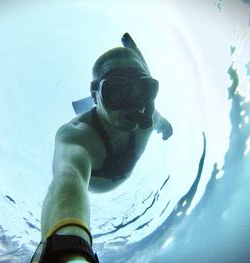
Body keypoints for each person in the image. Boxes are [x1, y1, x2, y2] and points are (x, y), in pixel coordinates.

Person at [31, 33, 173, 263]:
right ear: (96, 95)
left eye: (143, 89)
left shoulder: (150, 115)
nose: (133, 103)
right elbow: (68, 179)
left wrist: (166, 128)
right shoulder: (77, 135)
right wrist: (67, 250)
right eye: (116, 90)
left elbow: (161, 121)